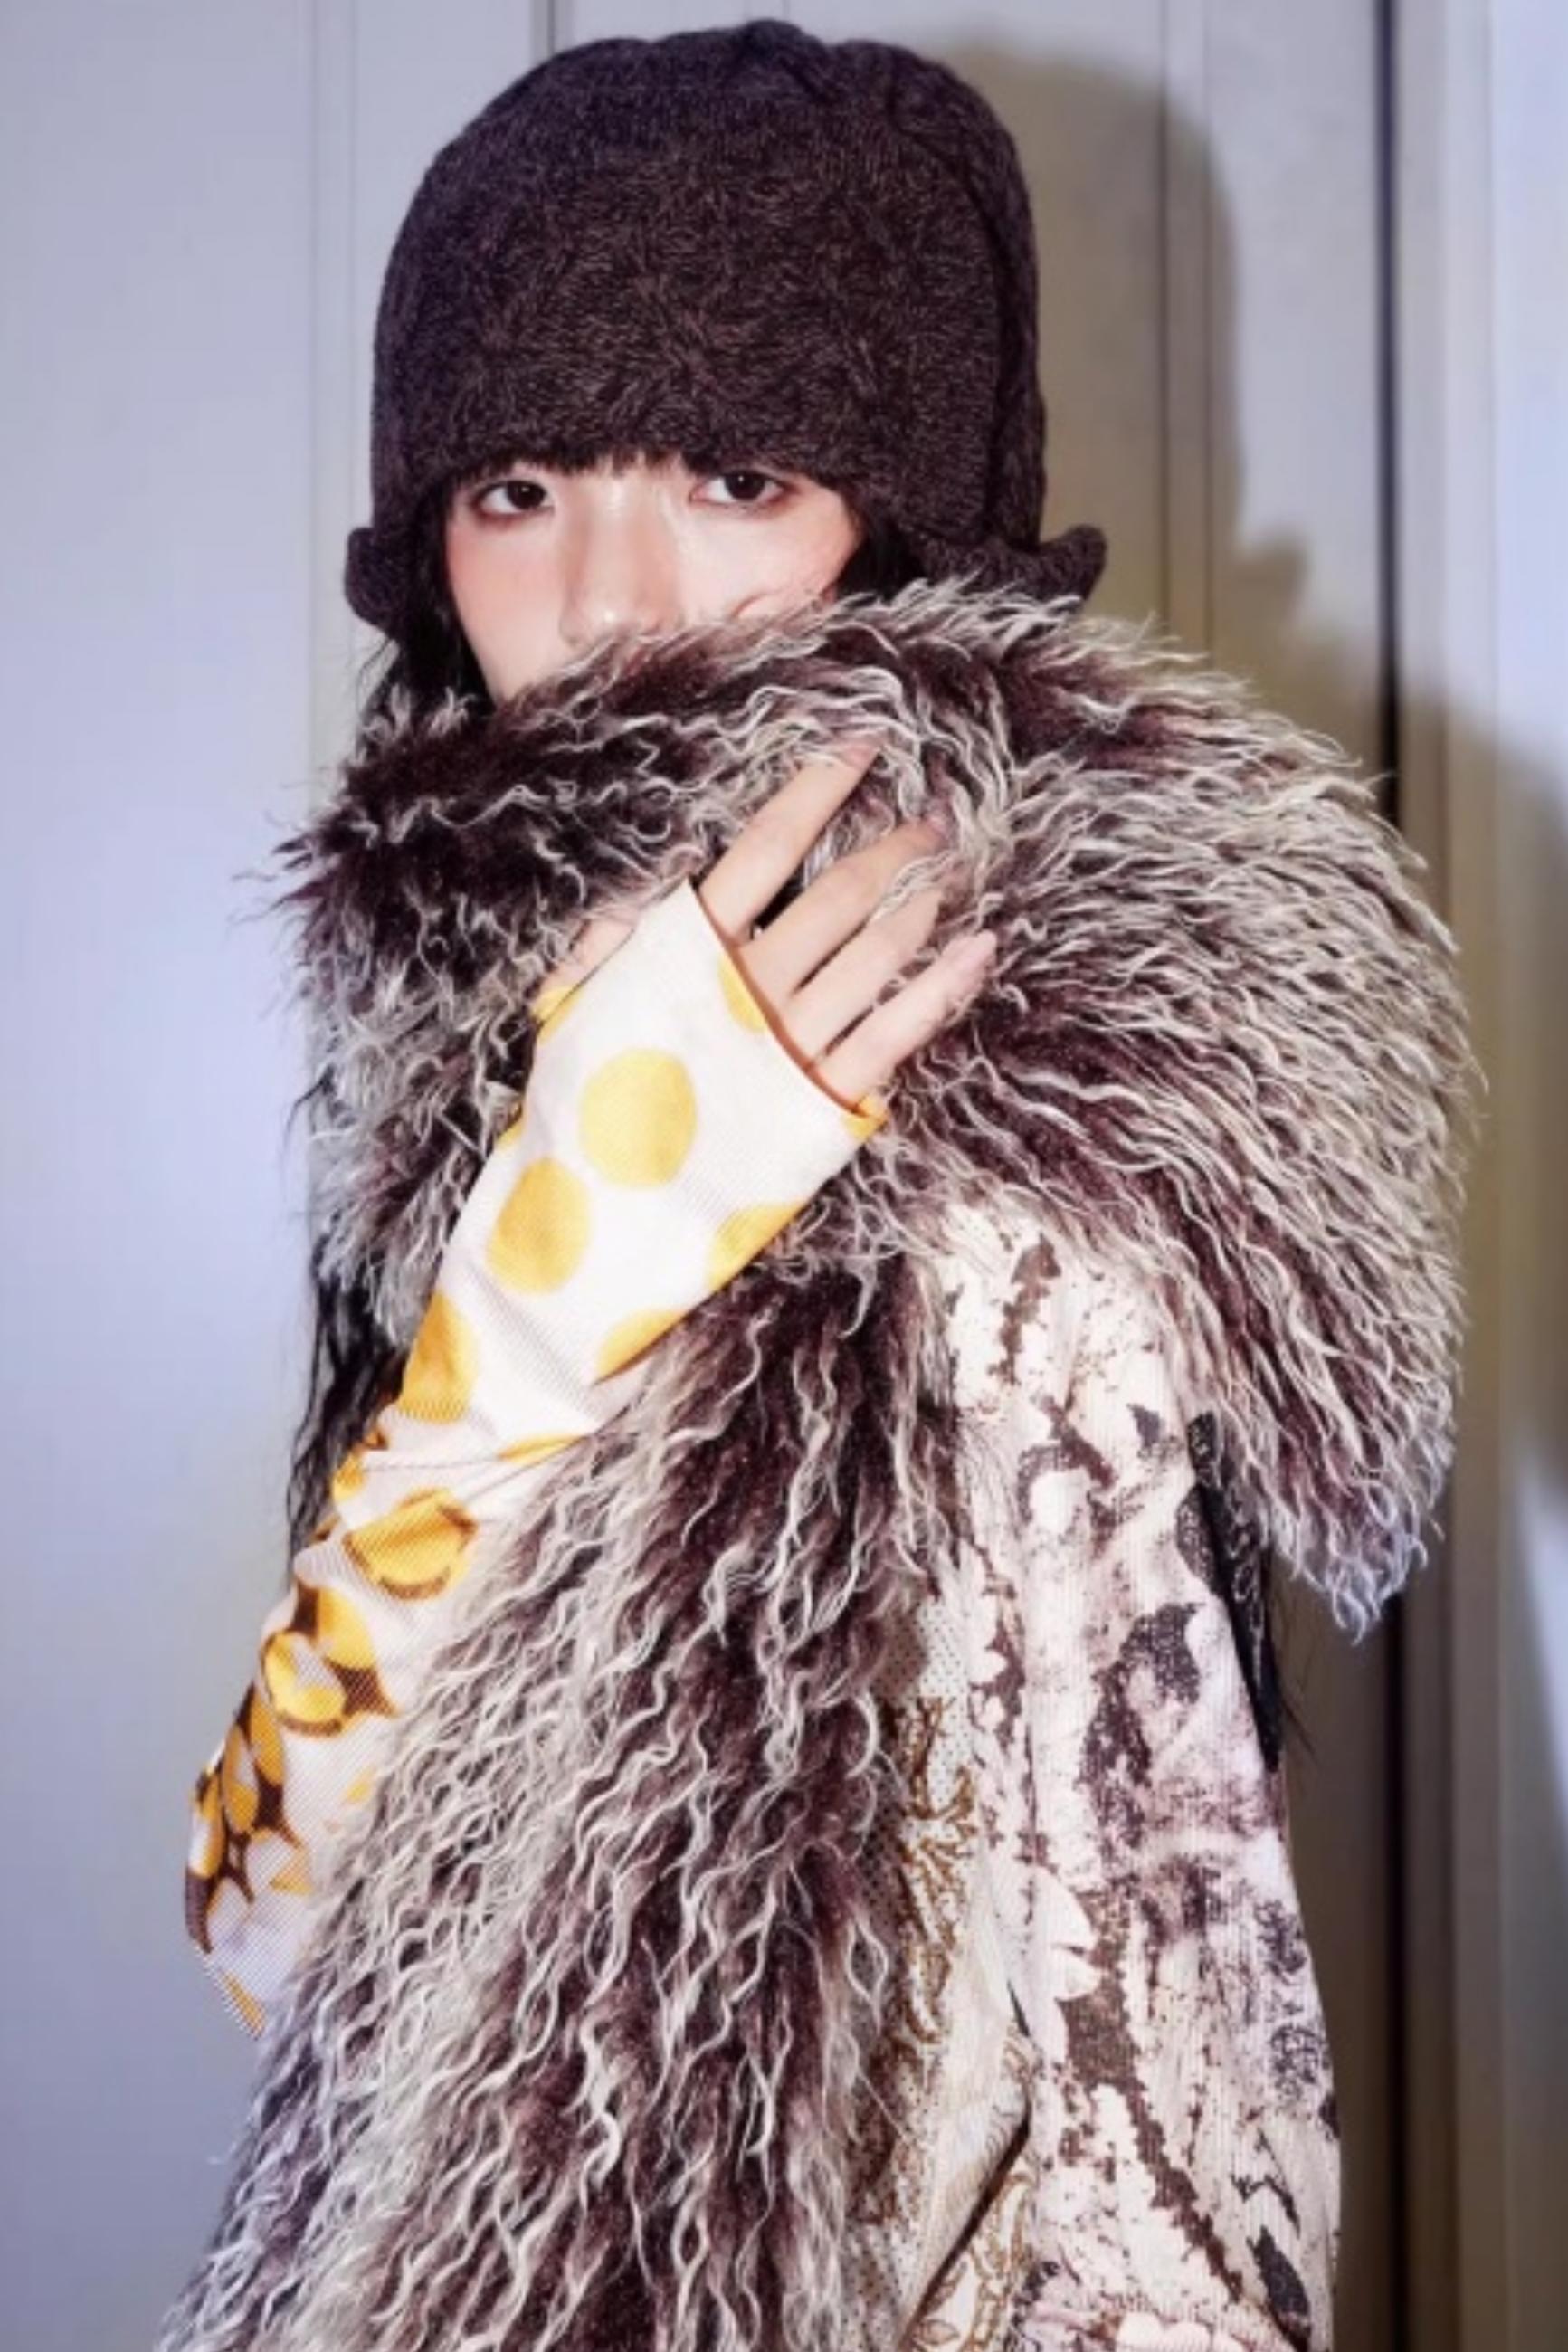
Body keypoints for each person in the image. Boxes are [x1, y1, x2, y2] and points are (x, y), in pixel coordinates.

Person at [159, 22, 1476, 2352]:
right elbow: (273, 1920)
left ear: (911, 523)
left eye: (735, 470)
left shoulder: (1015, 1160)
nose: (612, 597)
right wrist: (563, 1259)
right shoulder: (497, 1070)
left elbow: (1176, 2147)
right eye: (519, 487)